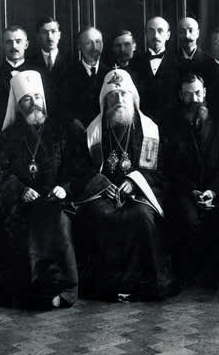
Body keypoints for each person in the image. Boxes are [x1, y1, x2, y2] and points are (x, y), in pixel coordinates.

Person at [69, 69, 176, 301]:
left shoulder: (149, 130)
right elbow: (81, 169)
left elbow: (159, 172)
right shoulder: (93, 131)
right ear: (105, 101)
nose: (119, 100)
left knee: (142, 217)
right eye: (113, 96)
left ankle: (143, 285)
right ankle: (107, 286)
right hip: (103, 196)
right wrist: (101, 184)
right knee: (97, 216)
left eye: (123, 94)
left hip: (138, 195)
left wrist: (134, 181)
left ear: (133, 98)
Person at [0, 71, 77, 308]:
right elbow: (1, 173)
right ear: (18, 104)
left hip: (56, 200)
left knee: (60, 223)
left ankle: (66, 290)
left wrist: (64, 188)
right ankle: (37, 293)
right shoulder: (7, 137)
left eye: (37, 97)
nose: (34, 103)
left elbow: (74, 167)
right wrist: (21, 190)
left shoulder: (59, 131)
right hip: (21, 202)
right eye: (27, 99)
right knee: (26, 228)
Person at [166, 74, 219, 284]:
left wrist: (212, 191)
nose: (194, 99)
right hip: (185, 190)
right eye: (188, 94)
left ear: (204, 93)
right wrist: (193, 192)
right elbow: (171, 167)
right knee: (189, 219)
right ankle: (193, 274)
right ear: (180, 96)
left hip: (215, 189)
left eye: (197, 93)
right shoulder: (171, 126)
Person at [129, 16, 181, 123]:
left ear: (168, 35)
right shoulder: (134, 63)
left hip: (172, 123)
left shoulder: (179, 62)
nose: (155, 35)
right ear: (146, 34)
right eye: (151, 31)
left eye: (160, 31)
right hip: (143, 123)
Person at [59, 26, 110, 131]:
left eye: (98, 42)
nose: (94, 47)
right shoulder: (68, 74)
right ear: (79, 46)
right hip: (78, 132)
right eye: (88, 43)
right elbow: (63, 106)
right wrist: (72, 120)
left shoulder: (110, 73)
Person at [0, 26, 37, 127]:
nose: (14, 46)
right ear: (2, 45)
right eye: (9, 42)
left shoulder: (37, 74)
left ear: (26, 44)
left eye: (18, 41)